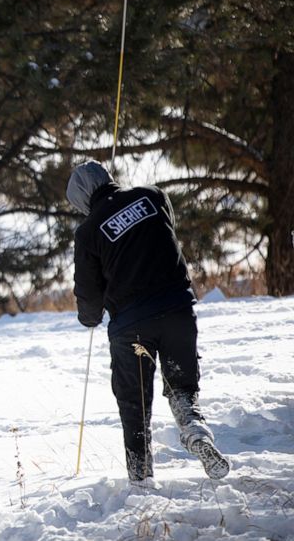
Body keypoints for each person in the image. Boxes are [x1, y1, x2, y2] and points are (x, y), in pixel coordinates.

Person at [67, 160, 230, 484]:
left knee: (134, 405)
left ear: (81, 198)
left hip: (132, 328)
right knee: (182, 387)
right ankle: (195, 429)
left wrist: (90, 318)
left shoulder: (87, 232)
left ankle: (141, 478)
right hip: (178, 311)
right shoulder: (153, 196)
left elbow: (88, 293)